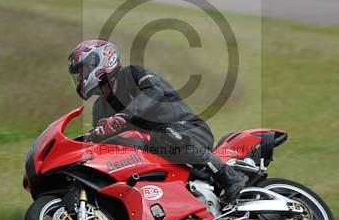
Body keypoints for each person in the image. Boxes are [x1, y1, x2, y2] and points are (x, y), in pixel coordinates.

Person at [68, 39, 247, 203]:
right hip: (153, 148)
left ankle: (230, 177)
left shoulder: (133, 74)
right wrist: (96, 136)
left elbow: (153, 93)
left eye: (82, 70)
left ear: (100, 62)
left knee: (166, 135)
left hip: (188, 130)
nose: (79, 78)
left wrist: (124, 116)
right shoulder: (100, 107)